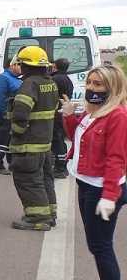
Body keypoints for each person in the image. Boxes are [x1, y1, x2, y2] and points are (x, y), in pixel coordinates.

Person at [62, 65, 127, 278]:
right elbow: (78, 140)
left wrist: (109, 195)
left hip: (101, 188)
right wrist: (70, 117)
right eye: (89, 82)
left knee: (100, 246)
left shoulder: (117, 116)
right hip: (86, 183)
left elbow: (116, 158)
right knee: (95, 244)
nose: (91, 88)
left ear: (112, 87)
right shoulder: (93, 112)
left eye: (98, 84)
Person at [8, 46, 59, 231]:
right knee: (45, 179)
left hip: (28, 145)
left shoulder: (29, 84)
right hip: (44, 143)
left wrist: (17, 130)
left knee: (28, 181)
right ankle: (50, 214)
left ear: (26, 65)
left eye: (21, 63)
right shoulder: (50, 83)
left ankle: (38, 218)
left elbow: (21, 112)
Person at [0, 61, 23, 175]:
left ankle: (12, 163)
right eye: (19, 65)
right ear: (12, 65)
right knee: (3, 139)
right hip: (6, 114)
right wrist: (2, 114)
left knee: (11, 140)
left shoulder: (17, 79)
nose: (21, 68)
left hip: (14, 114)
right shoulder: (3, 78)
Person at [51, 58, 74, 179]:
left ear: (55, 66)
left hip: (56, 113)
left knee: (56, 139)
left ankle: (60, 168)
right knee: (60, 139)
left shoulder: (55, 79)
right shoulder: (67, 79)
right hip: (62, 112)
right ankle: (62, 166)